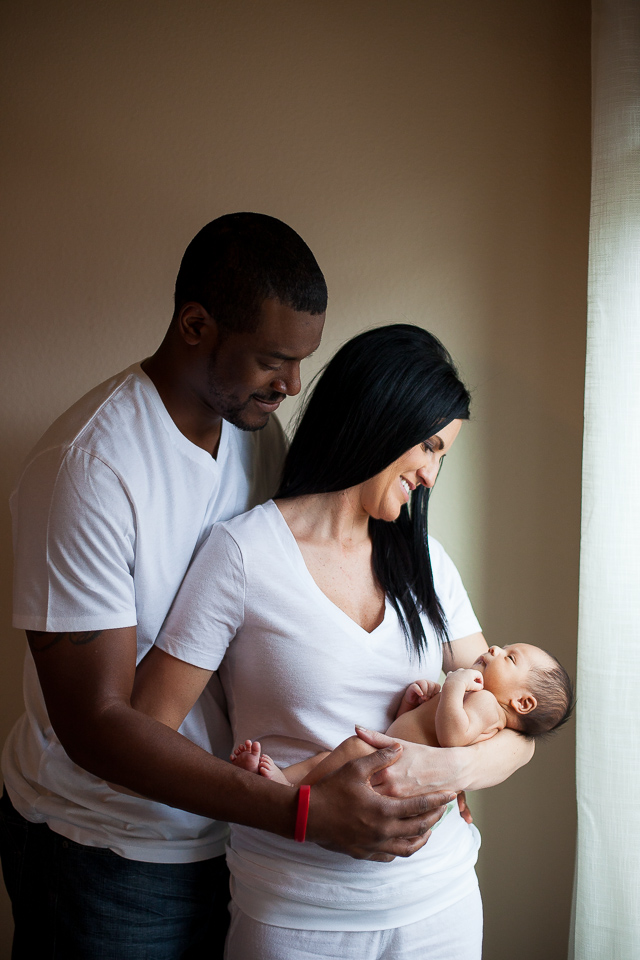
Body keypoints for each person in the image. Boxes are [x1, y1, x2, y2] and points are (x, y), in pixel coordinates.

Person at [0, 215, 457, 960]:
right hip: (108, 850)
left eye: (303, 360)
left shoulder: (253, 434)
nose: (294, 385)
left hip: (238, 838)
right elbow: (94, 725)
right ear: (195, 324)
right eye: (273, 359)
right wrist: (302, 812)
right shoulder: (88, 470)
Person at [131, 324, 536, 960]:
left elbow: (519, 730)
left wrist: (445, 768)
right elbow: (145, 730)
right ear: (380, 416)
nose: (431, 475)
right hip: (296, 913)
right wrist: (284, 804)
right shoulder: (241, 556)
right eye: (428, 447)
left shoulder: (427, 563)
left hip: (441, 902)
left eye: (443, 457)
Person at [230, 642, 575, 789]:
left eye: (510, 658)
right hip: (391, 753)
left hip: (394, 767)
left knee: (350, 751)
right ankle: (281, 781)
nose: (495, 649)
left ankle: (291, 792)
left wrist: (452, 686)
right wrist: (417, 703)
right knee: (326, 758)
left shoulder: (487, 705)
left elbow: (453, 738)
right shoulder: (479, 701)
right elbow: (415, 727)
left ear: (522, 703)